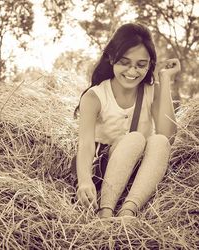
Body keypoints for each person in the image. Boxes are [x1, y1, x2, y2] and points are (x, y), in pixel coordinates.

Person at [72, 23, 181, 219]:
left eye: (141, 65)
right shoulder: (94, 96)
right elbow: (85, 145)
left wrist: (163, 81)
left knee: (158, 141)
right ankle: (105, 211)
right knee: (135, 139)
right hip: (103, 172)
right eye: (125, 62)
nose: (132, 71)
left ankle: (128, 210)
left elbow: (168, 137)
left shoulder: (151, 91)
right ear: (112, 58)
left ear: (150, 64)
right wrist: (84, 181)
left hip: (138, 176)